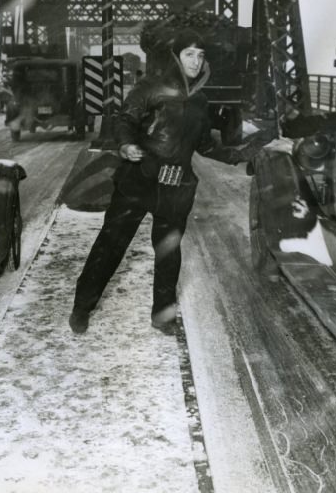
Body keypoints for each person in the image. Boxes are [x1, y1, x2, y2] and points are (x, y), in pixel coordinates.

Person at [69, 28, 249, 336]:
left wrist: (240, 156)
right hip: (138, 180)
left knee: (169, 252)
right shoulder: (150, 87)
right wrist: (126, 145)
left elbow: (205, 145)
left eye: (200, 55)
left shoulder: (200, 101)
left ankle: (163, 316)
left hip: (175, 185)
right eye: (189, 54)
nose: (196, 61)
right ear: (176, 57)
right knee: (111, 245)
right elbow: (125, 119)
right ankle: (81, 308)